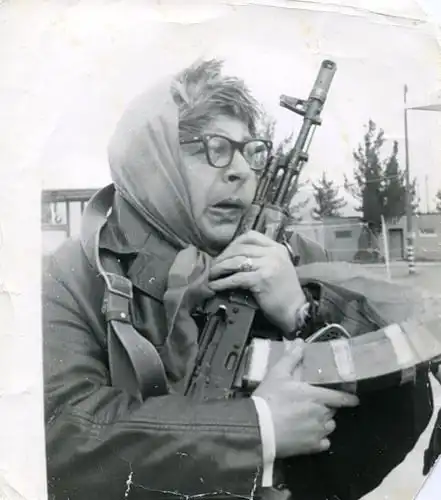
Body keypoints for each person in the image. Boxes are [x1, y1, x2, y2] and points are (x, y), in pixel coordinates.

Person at [43, 59, 432, 500]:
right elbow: (62, 439)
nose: (241, 170)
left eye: (250, 151)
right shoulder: (74, 275)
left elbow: (404, 412)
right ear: (154, 162)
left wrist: (304, 311)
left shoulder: (294, 263)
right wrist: (258, 428)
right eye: (213, 148)